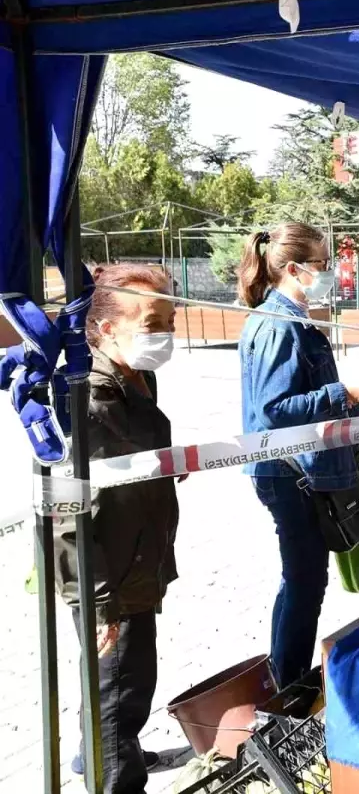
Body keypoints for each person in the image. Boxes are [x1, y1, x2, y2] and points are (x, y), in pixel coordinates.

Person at [237, 222, 359, 688]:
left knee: (301, 579)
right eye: (323, 264)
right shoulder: (278, 324)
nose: (330, 272)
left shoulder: (292, 318)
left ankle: (283, 678)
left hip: (299, 469)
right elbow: (274, 408)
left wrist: (353, 404)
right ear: (293, 269)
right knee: (305, 581)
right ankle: (290, 686)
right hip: (289, 473)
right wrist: (344, 392)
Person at [56, 263, 180, 793]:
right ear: (106, 328)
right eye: (152, 323)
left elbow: (128, 464)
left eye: (170, 320)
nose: (166, 334)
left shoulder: (136, 375)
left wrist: (164, 467)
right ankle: (114, 773)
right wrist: (98, 602)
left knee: (118, 685)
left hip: (138, 556)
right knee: (120, 692)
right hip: (110, 575)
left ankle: (102, 755)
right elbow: (64, 514)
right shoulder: (89, 397)